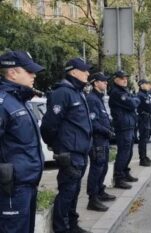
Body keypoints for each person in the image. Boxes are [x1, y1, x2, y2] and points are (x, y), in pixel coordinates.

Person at [41, 58, 92, 233]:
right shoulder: (62, 92)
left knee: (75, 190)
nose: (87, 73)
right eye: (84, 70)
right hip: (69, 153)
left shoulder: (77, 92)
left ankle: (72, 223)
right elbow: (49, 125)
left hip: (80, 152)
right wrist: (58, 147)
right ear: (73, 72)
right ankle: (62, 228)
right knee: (67, 191)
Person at [0, 51, 45, 233]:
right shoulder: (3, 103)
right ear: (12, 73)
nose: (34, 75)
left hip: (27, 184)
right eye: (29, 71)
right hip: (12, 188)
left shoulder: (19, 100)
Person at [86, 72, 116, 212]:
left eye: (106, 81)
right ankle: (93, 199)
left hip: (103, 139)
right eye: (103, 81)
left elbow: (102, 118)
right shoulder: (92, 99)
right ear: (95, 82)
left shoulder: (98, 98)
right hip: (97, 139)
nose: (106, 83)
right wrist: (107, 131)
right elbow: (93, 122)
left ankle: (100, 192)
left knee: (103, 167)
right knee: (96, 169)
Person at [109, 70, 140, 189]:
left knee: (129, 152)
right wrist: (134, 101)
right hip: (123, 126)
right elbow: (133, 104)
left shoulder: (124, 91)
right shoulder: (116, 92)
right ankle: (119, 178)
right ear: (116, 79)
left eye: (126, 78)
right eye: (122, 78)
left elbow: (135, 101)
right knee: (123, 153)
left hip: (129, 125)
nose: (125, 80)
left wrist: (134, 101)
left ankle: (125, 172)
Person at [137, 79, 151, 166]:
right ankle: (142, 159)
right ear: (141, 85)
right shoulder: (140, 95)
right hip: (142, 118)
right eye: (146, 84)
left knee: (145, 139)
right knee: (143, 140)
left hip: (147, 118)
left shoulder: (146, 94)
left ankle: (145, 156)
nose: (148, 86)